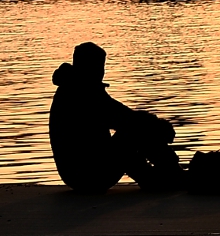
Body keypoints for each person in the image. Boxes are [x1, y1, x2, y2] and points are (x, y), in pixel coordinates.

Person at [48, 41, 185, 193]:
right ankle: (168, 176)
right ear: (89, 66)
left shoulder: (75, 87)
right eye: (99, 67)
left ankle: (159, 176)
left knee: (134, 130)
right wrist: (157, 125)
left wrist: (151, 123)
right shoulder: (81, 93)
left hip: (79, 174)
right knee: (133, 132)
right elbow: (124, 118)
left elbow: (121, 114)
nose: (101, 72)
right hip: (86, 177)